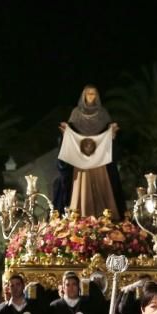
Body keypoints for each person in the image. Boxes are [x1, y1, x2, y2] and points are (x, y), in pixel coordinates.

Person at [55, 85, 124, 218]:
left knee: (102, 183)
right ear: (84, 96)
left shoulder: (103, 113)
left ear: (97, 96)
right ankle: (80, 214)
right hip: (80, 158)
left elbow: (107, 132)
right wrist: (67, 132)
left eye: (93, 94)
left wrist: (112, 132)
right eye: (88, 94)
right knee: (81, 185)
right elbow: (72, 131)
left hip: (100, 159)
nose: (91, 96)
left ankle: (106, 215)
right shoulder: (76, 112)